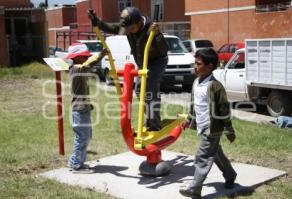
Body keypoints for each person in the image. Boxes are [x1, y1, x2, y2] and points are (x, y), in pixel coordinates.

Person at [88, 7, 169, 131]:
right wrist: (97, 22)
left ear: (139, 23)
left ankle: (154, 124)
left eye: (131, 28)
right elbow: (115, 29)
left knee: (150, 88)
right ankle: (151, 117)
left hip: (157, 62)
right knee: (138, 90)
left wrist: (157, 34)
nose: (129, 31)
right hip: (143, 63)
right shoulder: (130, 27)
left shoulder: (151, 28)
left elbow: (164, 49)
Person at [179, 48, 237, 198]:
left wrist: (229, 130)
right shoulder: (196, 82)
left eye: (198, 64)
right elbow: (194, 104)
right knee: (216, 153)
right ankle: (230, 175)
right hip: (202, 126)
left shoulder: (215, 86)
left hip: (213, 128)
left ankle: (195, 188)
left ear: (210, 67)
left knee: (202, 156)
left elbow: (224, 109)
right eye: (195, 63)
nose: (195, 67)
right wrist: (189, 119)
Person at [67, 43, 107, 171]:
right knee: (82, 137)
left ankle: (77, 161)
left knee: (87, 136)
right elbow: (89, 64)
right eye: (84, 56)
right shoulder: (77, 68)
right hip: (79, 110)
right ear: (77, 57)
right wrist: (102, 54)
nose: (86, 58)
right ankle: (75, 163)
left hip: (83, 108)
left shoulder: (78, 68)